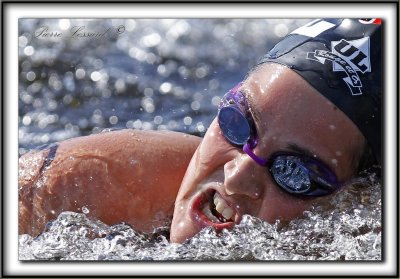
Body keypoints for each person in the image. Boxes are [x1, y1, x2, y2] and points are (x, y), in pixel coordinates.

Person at [18, 18, 382, 244]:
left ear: (361, 200)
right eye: (237, 124)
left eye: (295, 171)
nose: (238, 175)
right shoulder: (101, 180)